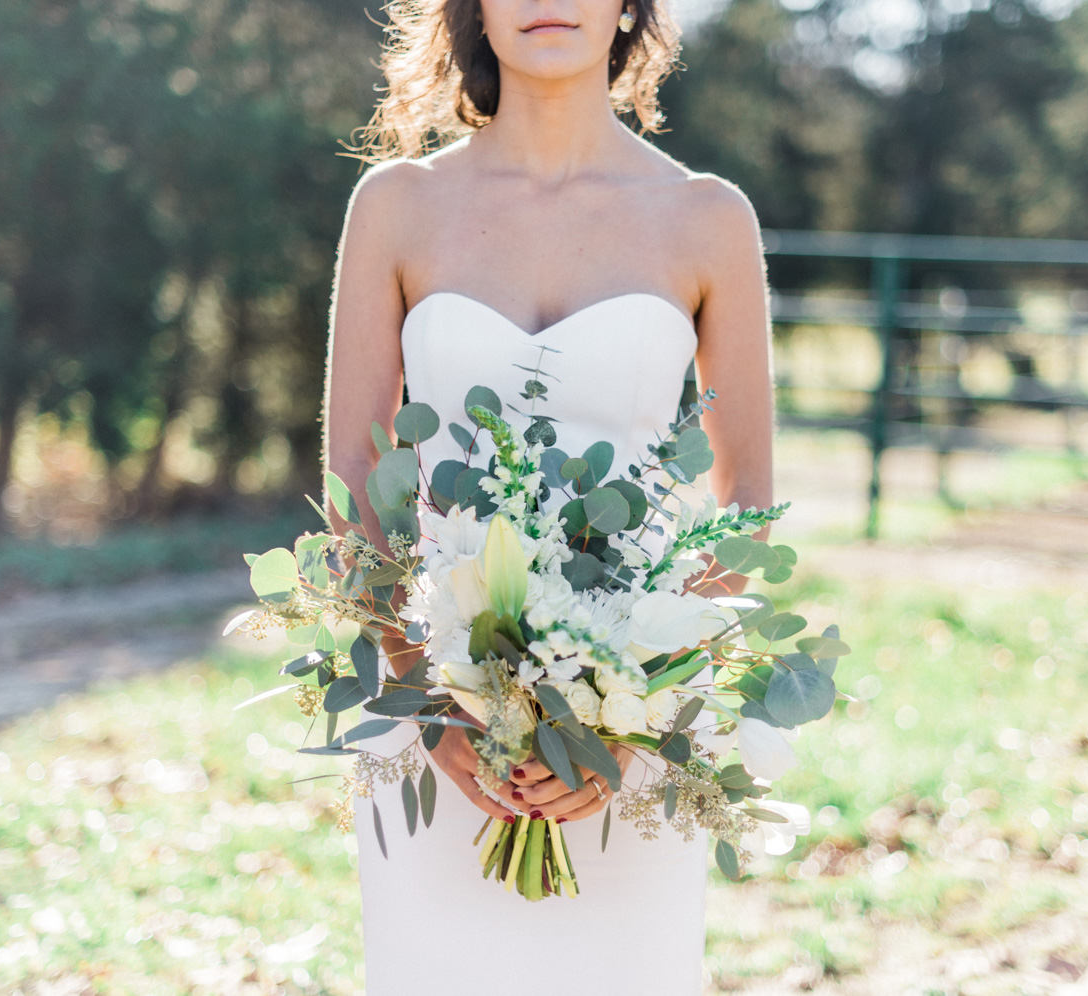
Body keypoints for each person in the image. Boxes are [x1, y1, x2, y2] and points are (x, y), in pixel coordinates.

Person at [320, 0, 773, 988]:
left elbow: (743, 516)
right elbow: (353, 495)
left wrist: (625, 722)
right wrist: (433, 708)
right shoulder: (395, 206)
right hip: (430, 701)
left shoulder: (706, 218)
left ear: (627, 6)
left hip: (637, 727)